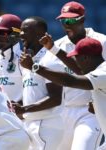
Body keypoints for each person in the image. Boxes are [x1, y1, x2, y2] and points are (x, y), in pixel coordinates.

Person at [38, 1, 105, 149]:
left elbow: (81, 76)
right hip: (63, 112)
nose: (66, 25)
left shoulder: (102, 41)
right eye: (63, 21)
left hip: (90, 112)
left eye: (70, 20)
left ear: (82, 19)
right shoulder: (56, 46)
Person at [20, 37, 106, 150]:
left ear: (86, 58)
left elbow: (70, 81)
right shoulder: (98, 70)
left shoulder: (103, 72)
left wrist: (34, 67)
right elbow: (77, 70)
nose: (76, 64)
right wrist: (53, 49)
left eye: (77, 59)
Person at [11, 16, 64, 150]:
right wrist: (18, 106)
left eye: (25, 31)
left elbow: (56, 98)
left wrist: (24, 109)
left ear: (40, 34)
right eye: (20, 31)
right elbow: (35, 94)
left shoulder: (50, 59)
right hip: (31, 124)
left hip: (47, 125)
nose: (21, 34)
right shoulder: (26, 61)